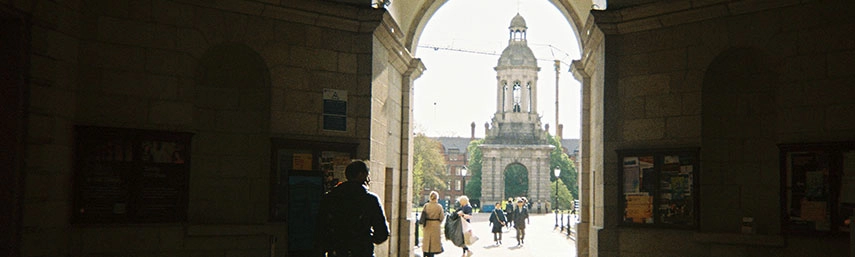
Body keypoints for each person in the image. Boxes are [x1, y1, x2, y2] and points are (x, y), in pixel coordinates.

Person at [316, 160, 390, 257]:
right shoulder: (370, 200)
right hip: (362, 252)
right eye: (367, 175)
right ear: (361, 174)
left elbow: (320, 230)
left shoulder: (329, 198)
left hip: (337, 251)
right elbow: (382, 233)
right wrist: (367, 239)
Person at [421, 191, 445, 257]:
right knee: (434, 243)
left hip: (427, 225)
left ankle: (425, 253)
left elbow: (423, 215)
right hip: (436, 225)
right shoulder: (439, 206)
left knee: (426, 241)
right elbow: (442, 217)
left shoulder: (426, 206)